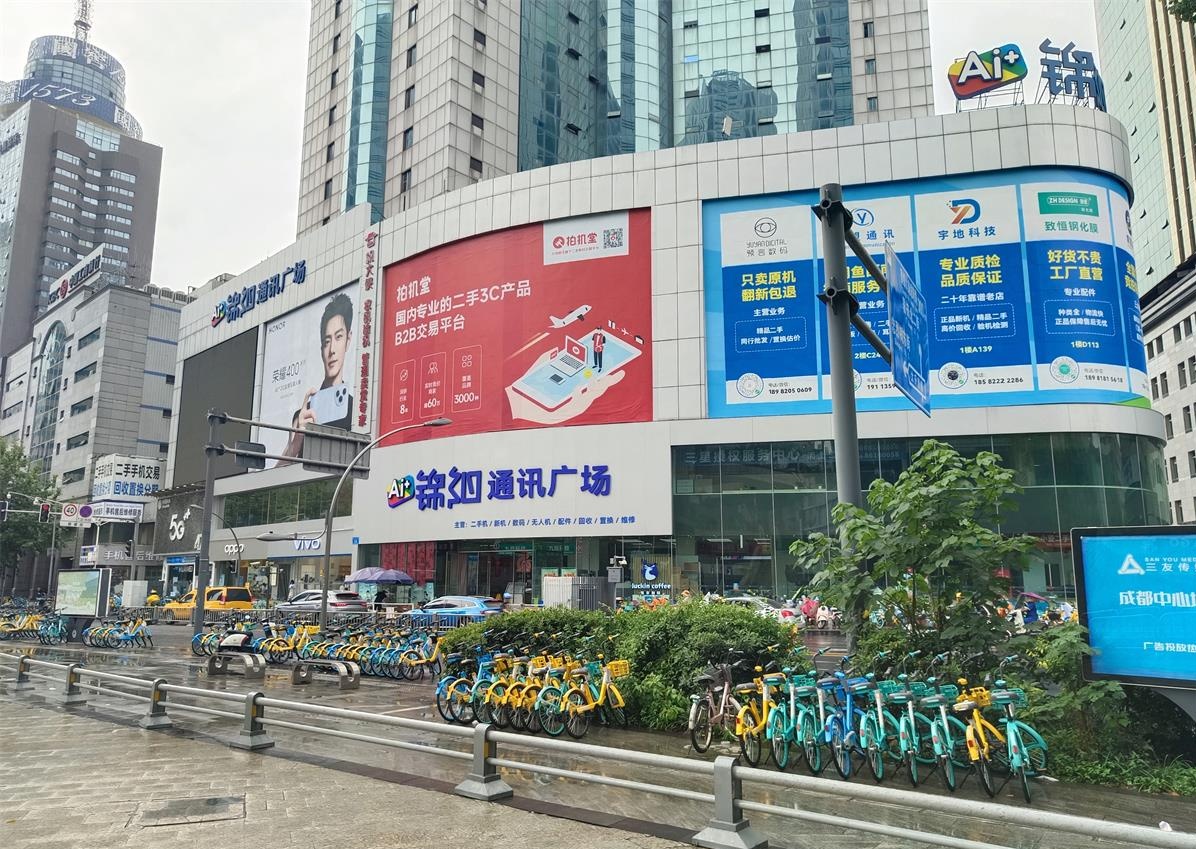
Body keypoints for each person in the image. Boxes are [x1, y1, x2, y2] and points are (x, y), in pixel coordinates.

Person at [282, 293, 355, 459]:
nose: (332, 350)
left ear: (348, 340)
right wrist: (298, 438)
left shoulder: (354, 410)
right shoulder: (303, 415)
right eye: (327, 341)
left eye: (339, 337)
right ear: (321, 348)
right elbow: (279, 470)